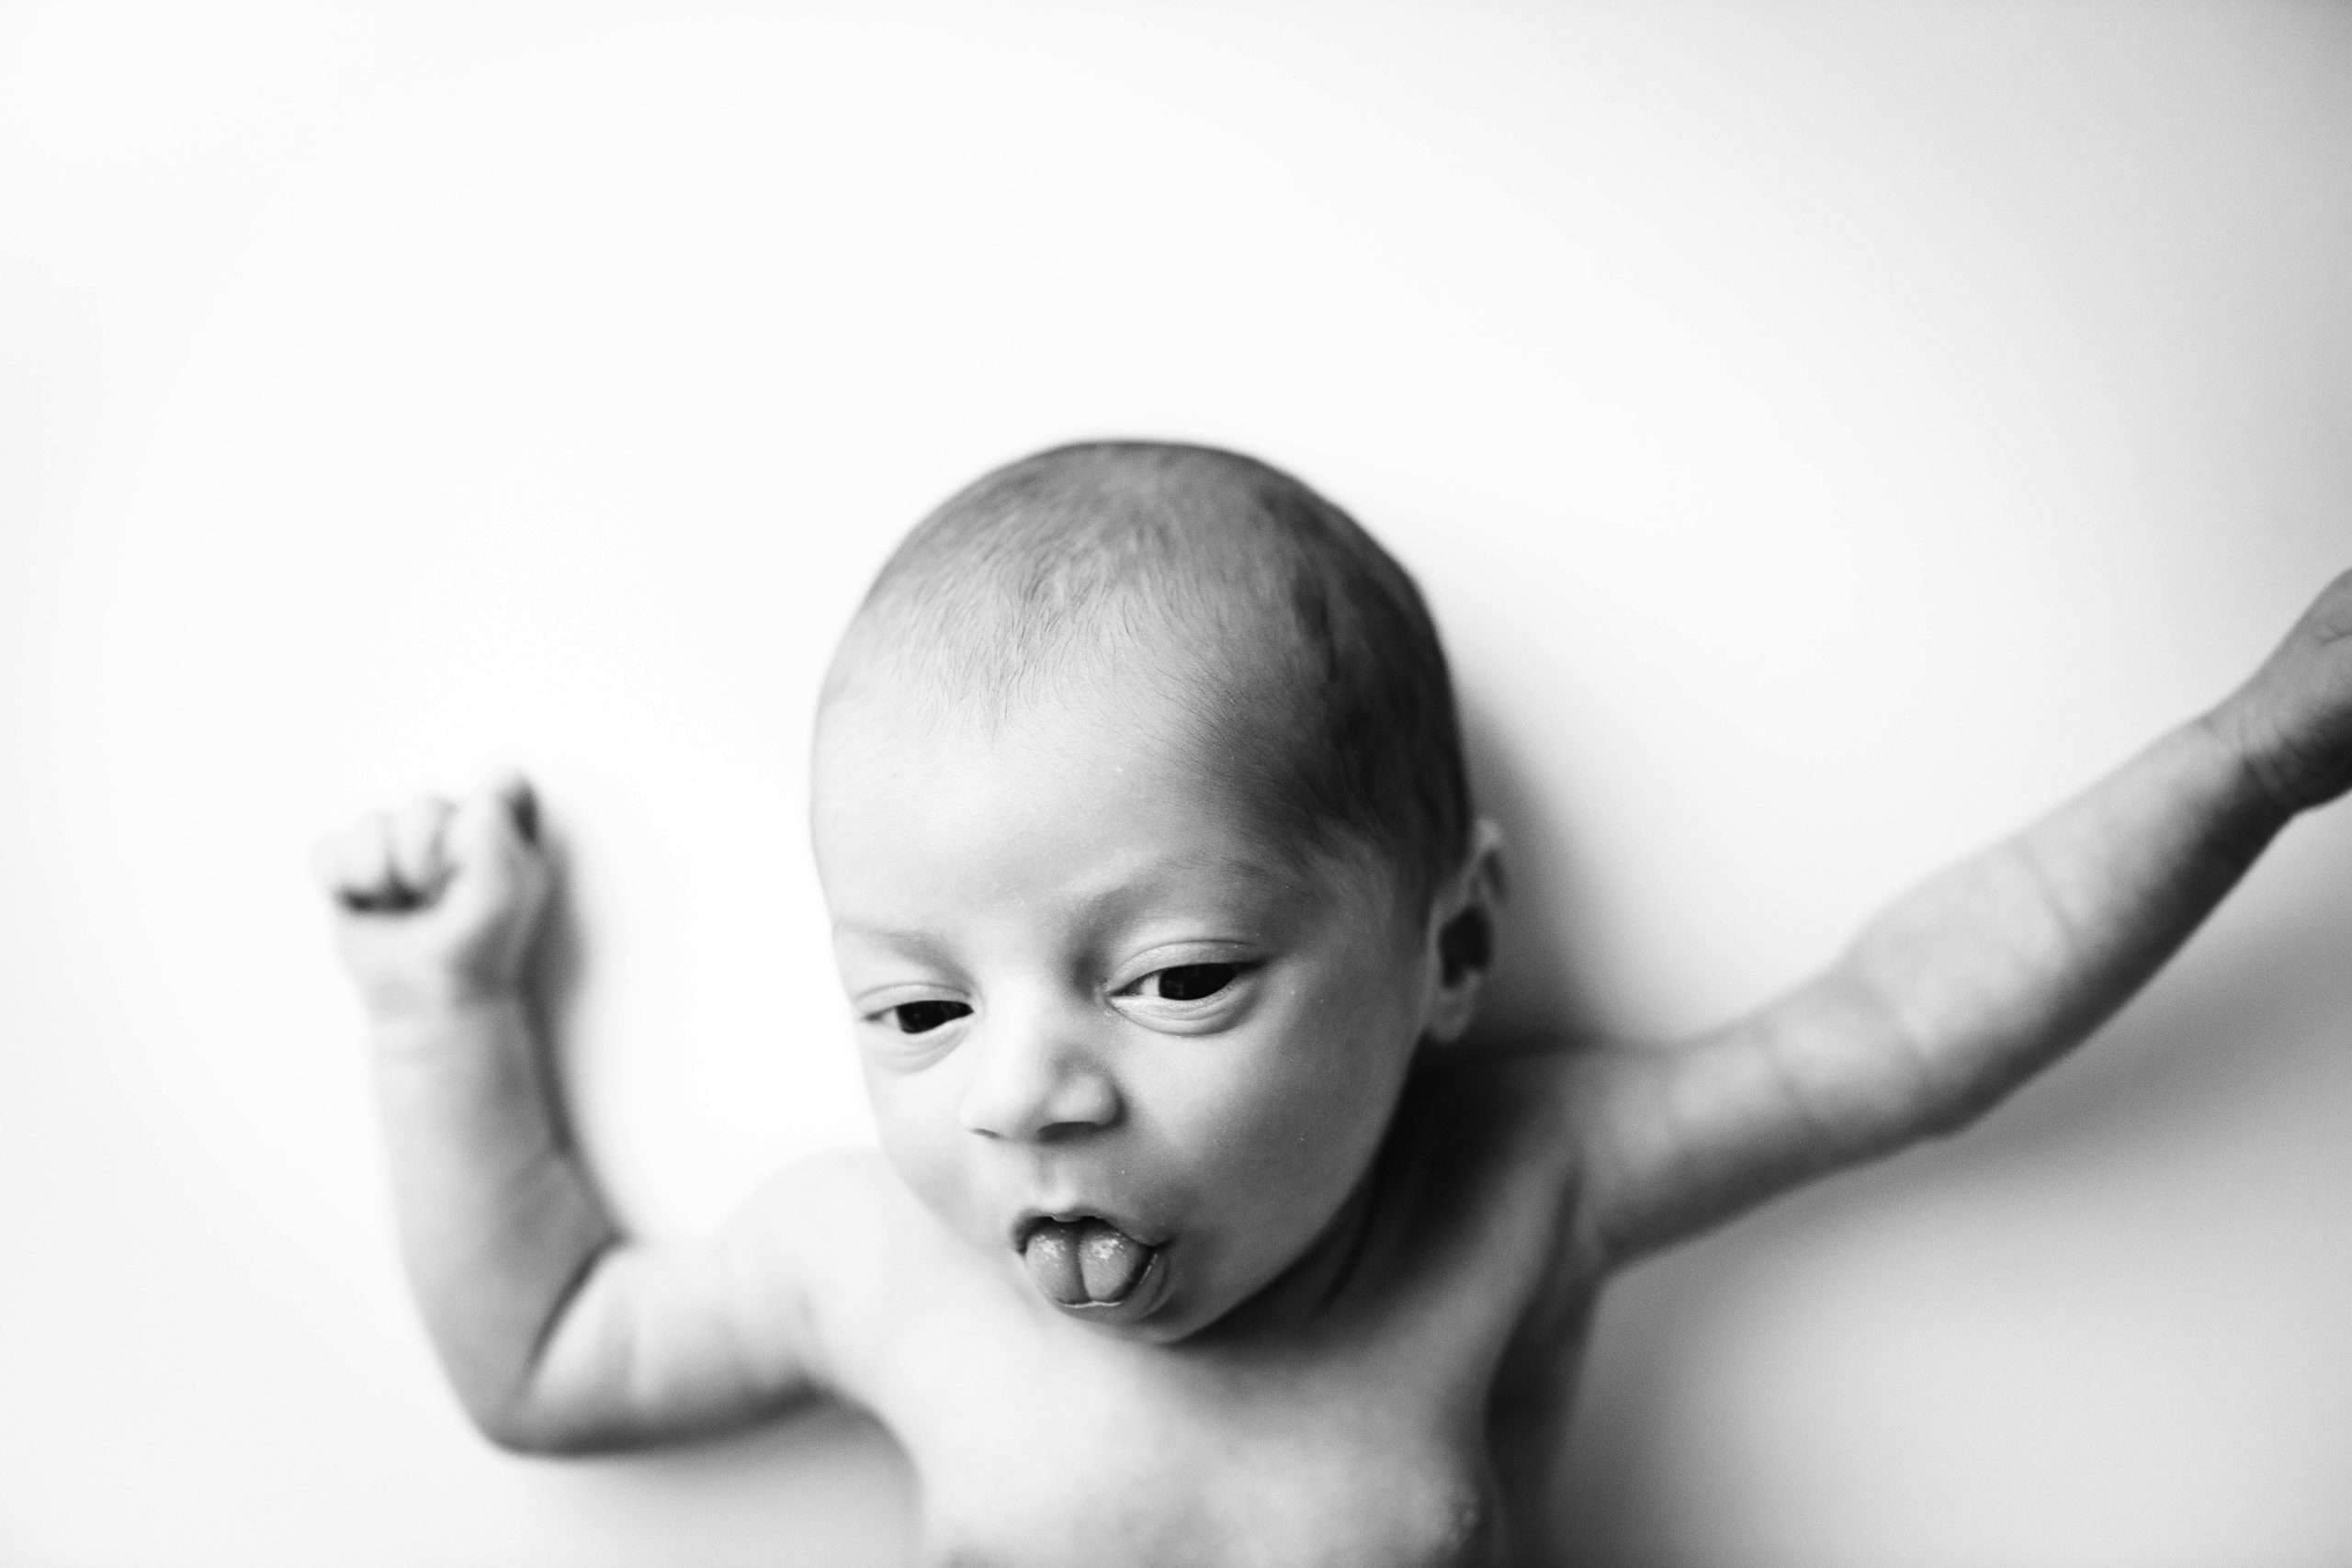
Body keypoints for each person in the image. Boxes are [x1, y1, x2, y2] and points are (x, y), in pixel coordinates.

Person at [315, 441, 2352, 1565]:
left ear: (1448, 948)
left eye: (1176, 977)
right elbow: (552, 1355)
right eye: (914, 1012)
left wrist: (2247, 755)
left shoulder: (1507, 1191)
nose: (1023, 1091)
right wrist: (440, 1013)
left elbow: (1894, 1029)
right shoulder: (867, 1262)